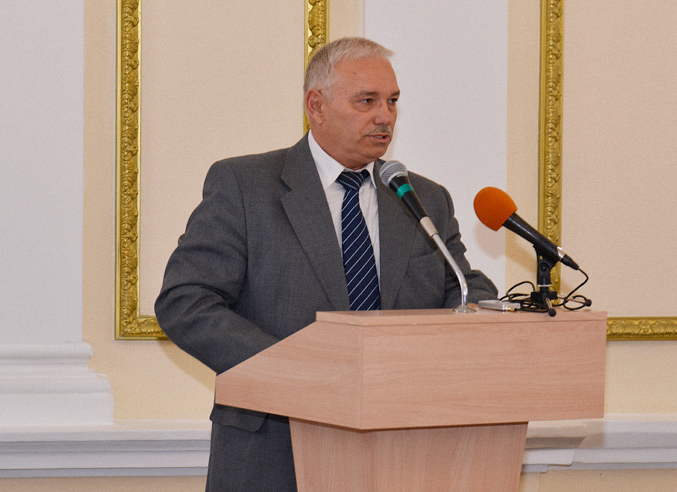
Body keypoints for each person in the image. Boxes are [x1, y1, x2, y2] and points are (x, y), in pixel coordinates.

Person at [155, 37, 498, 492]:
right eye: (367, 101)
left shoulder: (422, 198)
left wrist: (484, 314)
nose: (385, 116)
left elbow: (464, 288)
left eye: (393, 101)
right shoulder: (245, 185)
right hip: (274, 447)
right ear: (316, 106)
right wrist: (295, 371)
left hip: (407, 448)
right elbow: (186, 301)